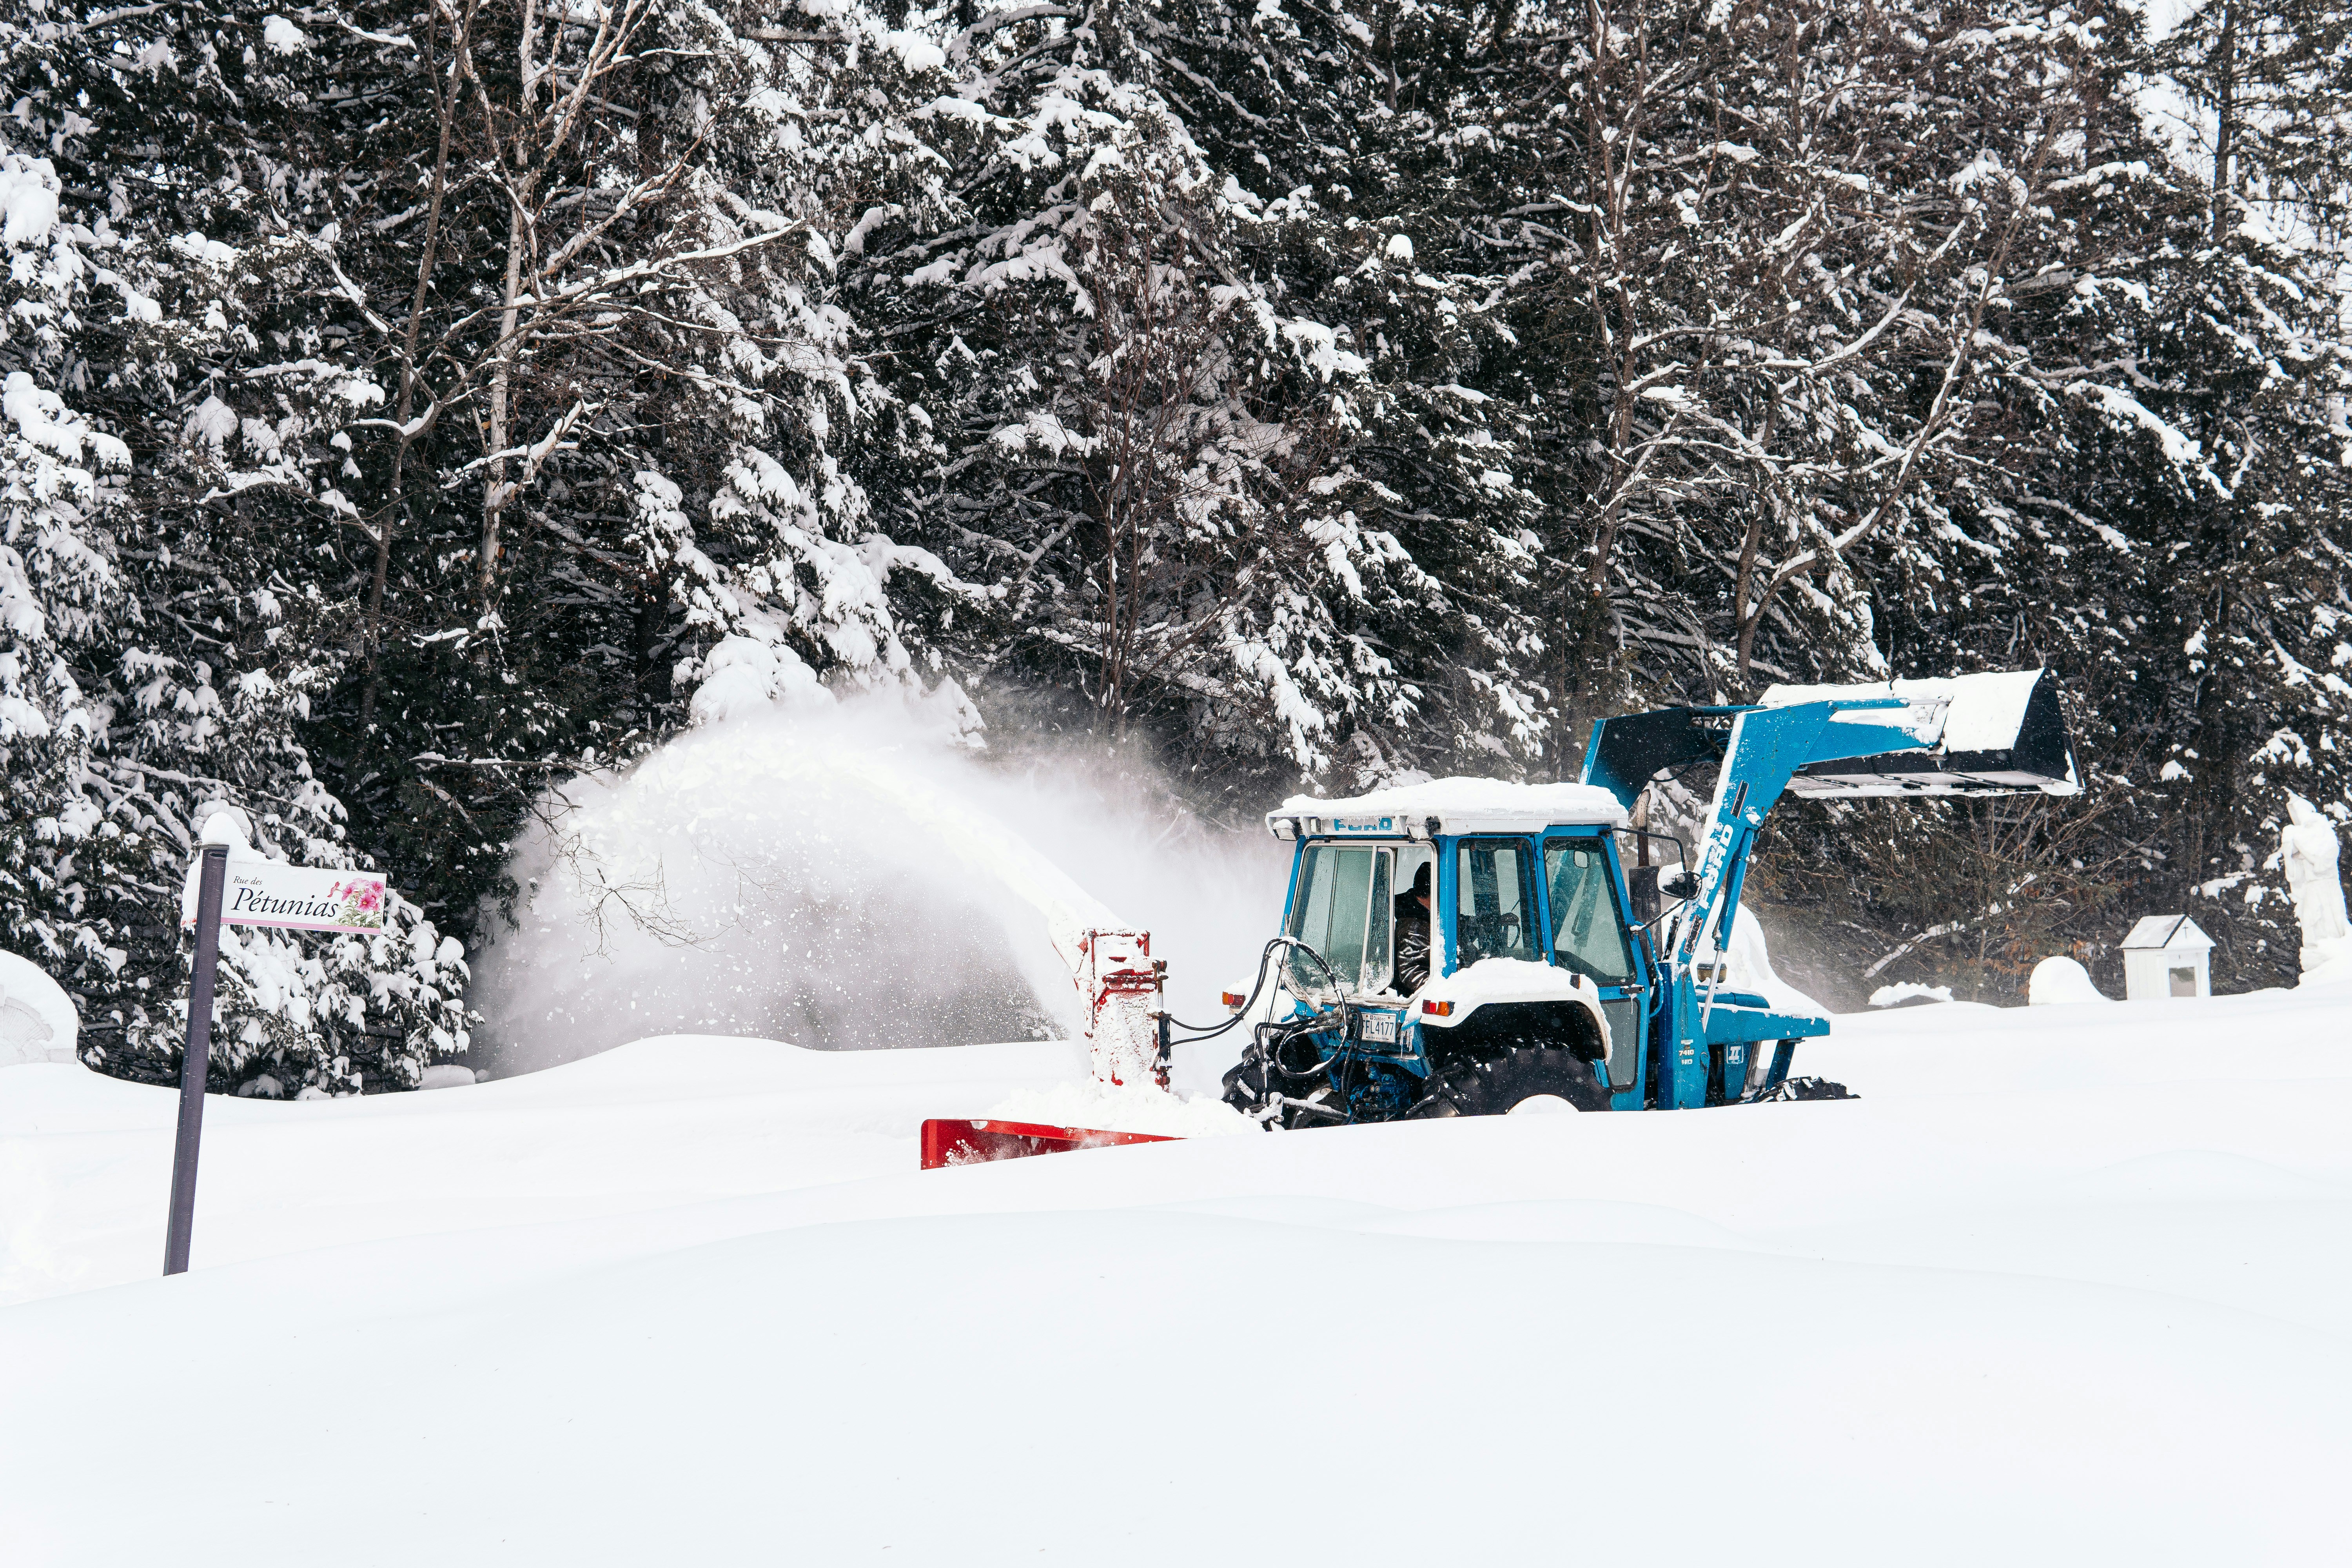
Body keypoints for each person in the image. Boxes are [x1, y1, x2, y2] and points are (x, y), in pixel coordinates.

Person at [1394, 861, 1432, 994]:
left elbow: (1458, 924)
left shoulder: (1426, 916)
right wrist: (1439, 991)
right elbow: (1412, 971)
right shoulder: (1414, 928)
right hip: (1412, 1000)